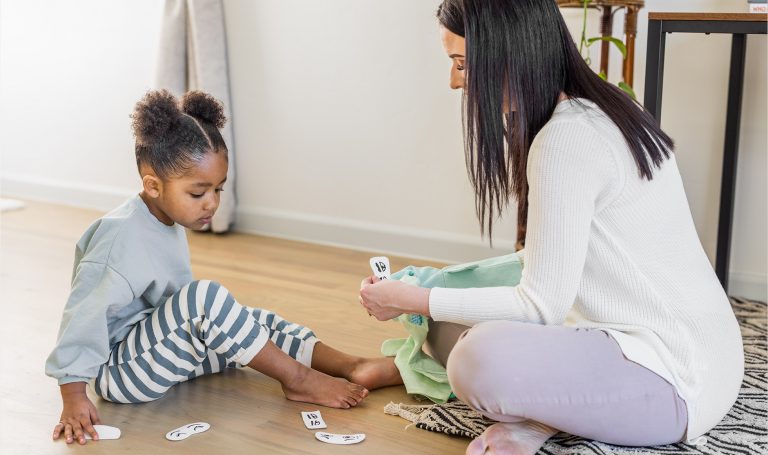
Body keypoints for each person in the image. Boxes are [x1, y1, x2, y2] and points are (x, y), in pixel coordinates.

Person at [358, 1, 744, 454]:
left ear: (509, 53)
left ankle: (541, 416)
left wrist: (414, 298)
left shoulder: (567, 140)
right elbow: (545, 262)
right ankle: (544, 416)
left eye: (462, 64)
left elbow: (539, 305)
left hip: (675, 382)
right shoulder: (604, 108)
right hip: (708, 356)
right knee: (444, 317)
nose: (455, 81)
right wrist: (435, 291)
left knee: (473, 359)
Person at [47, 90, 399, 445]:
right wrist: (73, 396)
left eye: (218, 189)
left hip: (161, 351)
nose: (212, 203)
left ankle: (350, 366)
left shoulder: (164, 218)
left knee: (251, 320)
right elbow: (83, 316)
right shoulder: (118, 238)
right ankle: (299, 379)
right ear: (153, 185)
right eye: (198, 193)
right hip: (122, 374)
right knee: (206, 298)